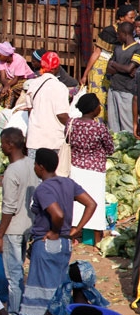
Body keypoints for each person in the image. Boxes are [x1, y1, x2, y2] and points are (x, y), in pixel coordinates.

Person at [18, 149, 97, 315]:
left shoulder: (43, 189)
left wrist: (54, 231)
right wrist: (77, 229)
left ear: (40, 167)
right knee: (58, 287)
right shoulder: (68, 183)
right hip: (64, 244)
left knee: (41, 287)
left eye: (35, 164)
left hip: (48, 243)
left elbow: (58, 214)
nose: (34, 167)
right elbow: (91, 204)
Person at [0, 128, 39, 315]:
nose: (1, 146)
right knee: (20, 269)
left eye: (3, 143)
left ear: (10, 146)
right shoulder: (32, 164)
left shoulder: (12, 171)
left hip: (13, 229)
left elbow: (9, 208)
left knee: (13, 276)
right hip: (29, 225)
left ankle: (13, 314)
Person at [68, 93, 113, 243]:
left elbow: (67, 140)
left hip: (75, 167)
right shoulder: (99, 128)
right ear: (94, 110)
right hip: (95, 170)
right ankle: (96, 241)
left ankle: (73, 236)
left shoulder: (71, 123)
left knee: (76, 203)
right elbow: (110, 148)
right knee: (96, 204)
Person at [83, 6, 136, 120]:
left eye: (134, 18)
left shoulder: (132, 33)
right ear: (121, 17)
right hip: (101, 69)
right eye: (130, 18)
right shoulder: (109, 32)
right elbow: (96, 53)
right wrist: (85, 74)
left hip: (116, 71)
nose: (133, 20)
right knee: (99, 100)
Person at [25, 51, 70, 157]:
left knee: (34, 172)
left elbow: (30, 111)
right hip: (53, 142)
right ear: (56, 68)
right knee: (52, 172)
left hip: (34, 140)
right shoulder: (60, 87)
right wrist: (73, 126)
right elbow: (61, 115)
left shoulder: (33, 84)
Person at [106, 22, 140, 132]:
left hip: (127, 90)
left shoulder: (137, 49)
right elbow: (108, 68)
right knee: (113, 124)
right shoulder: (117, 48)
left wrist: (115, 65)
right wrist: (123, 68)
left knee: (127, 124)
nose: (117, 36)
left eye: (118, 34)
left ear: (125, 34)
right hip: (113, 88)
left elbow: (129, 69)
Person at [0, 41, 35, 108]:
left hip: (24, 79)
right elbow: (2, 78)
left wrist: (7, 86)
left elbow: (16, 79)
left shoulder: (19, 60)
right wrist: (6, 85)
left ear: (6, 55)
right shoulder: (1, 60)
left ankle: (7, 109)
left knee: (10, 91)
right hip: (10, 80)